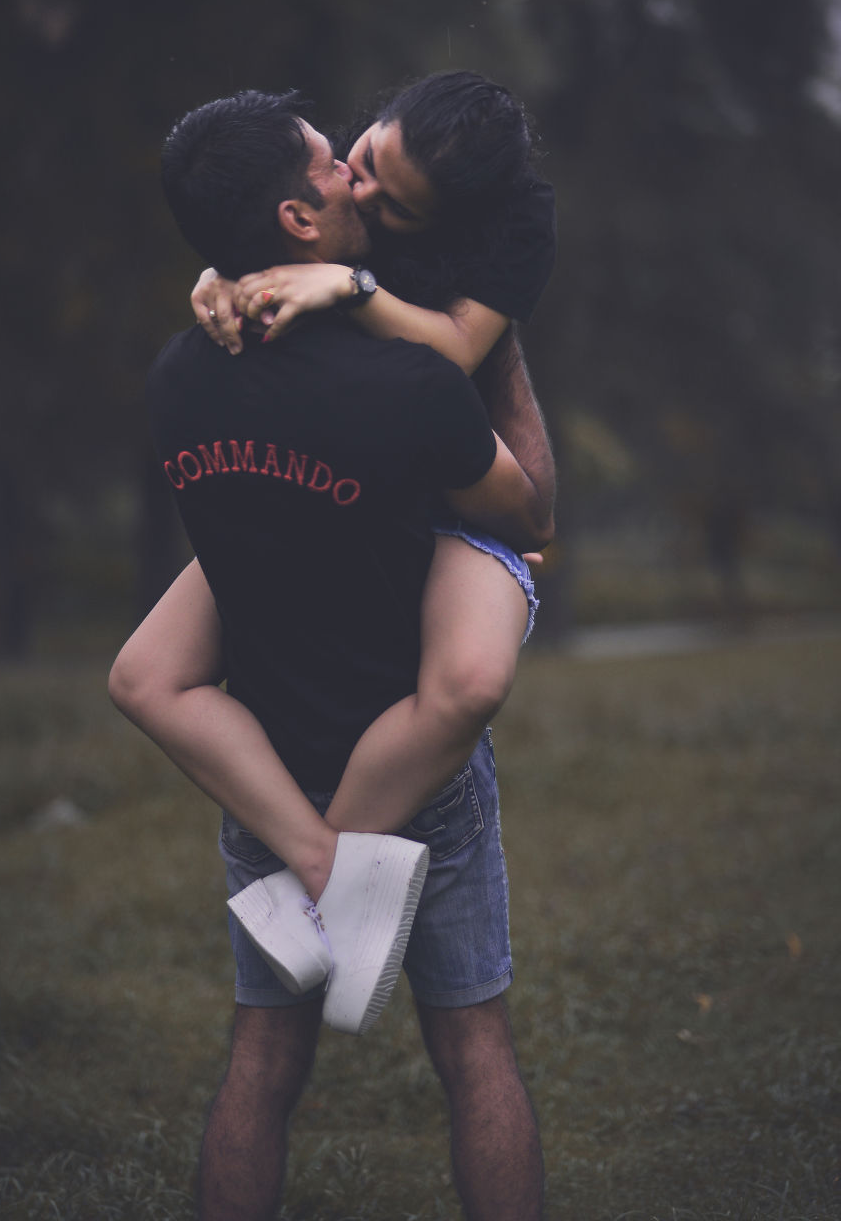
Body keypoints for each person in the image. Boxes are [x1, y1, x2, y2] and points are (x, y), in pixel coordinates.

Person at [115, 87, 554, 1221]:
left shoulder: (177, 378)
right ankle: (336, 874)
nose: (356, 179)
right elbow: (524, 507)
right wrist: (480, 357)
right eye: (340, 163)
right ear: (297, 223)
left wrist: (239, 278)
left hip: (266, 750)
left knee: (260, 1073)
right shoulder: (409, 385)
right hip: (416, 753)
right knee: (476, 1060)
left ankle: (309, 869)